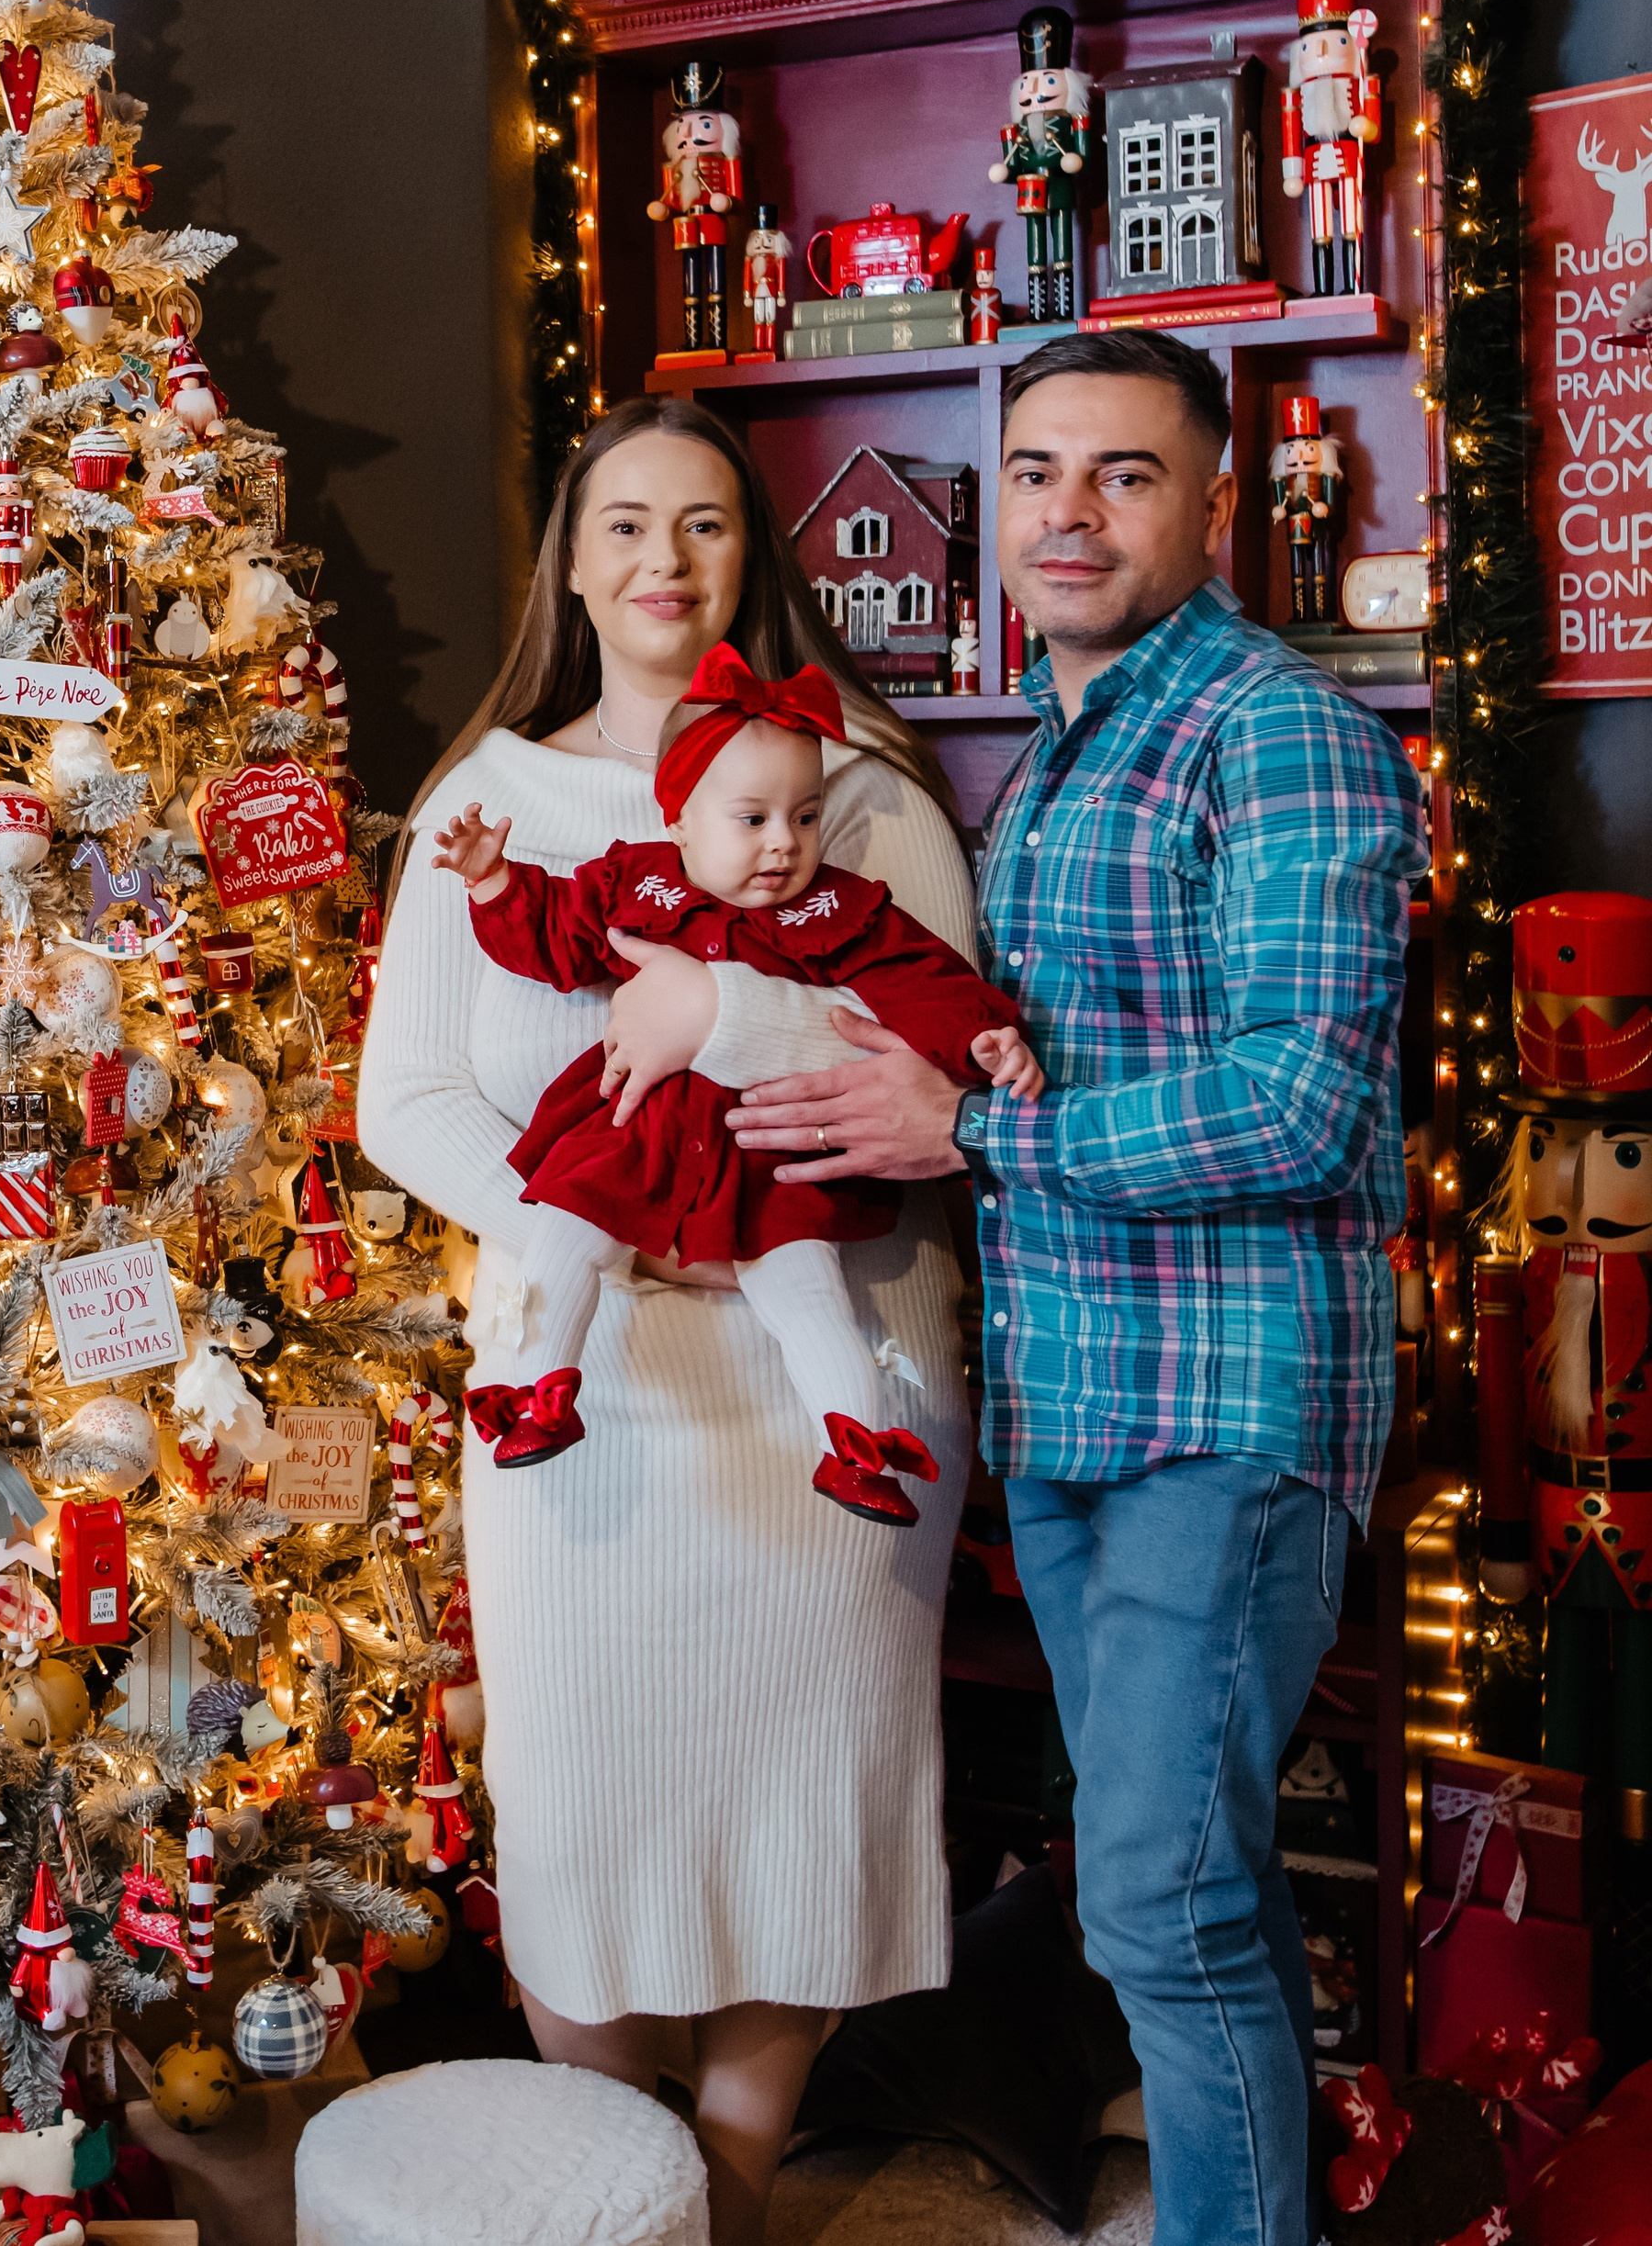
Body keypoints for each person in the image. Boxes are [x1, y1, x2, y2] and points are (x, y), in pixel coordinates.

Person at [601, 331, 1426, 2246]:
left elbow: (1296, 1102)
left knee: (1158, 1889)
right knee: (1163, 1875)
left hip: (1218, 1411)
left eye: (1122, 474)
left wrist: (962, 1140)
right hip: (1070, 1408)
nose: (1067, 511)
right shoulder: (1059, 748)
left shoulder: (1271, 728)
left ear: (1211, 504)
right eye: (1037, 470)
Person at [359, 397, 975, 2246]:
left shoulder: (852, 778)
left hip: (823, 1370)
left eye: (700, 523)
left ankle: (725, 2182)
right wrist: (590, 1215)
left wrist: (730, 1030)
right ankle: (606, 2183)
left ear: (748, 552)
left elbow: (929, 1057)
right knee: (576, 1801)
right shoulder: (486, 809)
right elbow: (405, 1100)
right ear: (567, 556)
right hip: (587, 1373)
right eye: (620, 523)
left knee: (803, 1791)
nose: (659, 559)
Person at [430, 640, 1037, 1509]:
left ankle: (856, 1439)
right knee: (567, 1228)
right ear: (678, 817)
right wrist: (494, 883)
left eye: (807, 815)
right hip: (634, 1124)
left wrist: (984, 1038)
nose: (784, 845)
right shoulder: (635, 882)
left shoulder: (838, 906)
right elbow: (555, 940)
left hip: (766, 1150)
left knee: (809, 1288)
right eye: (751, 819)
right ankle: (543, 1390)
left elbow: (924, 980)